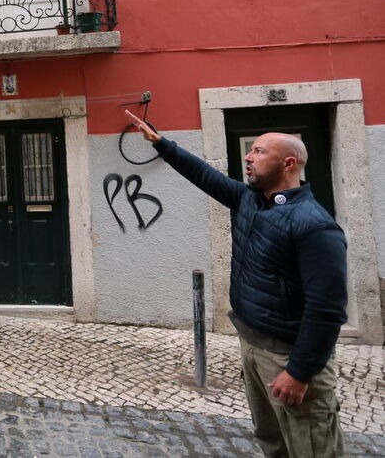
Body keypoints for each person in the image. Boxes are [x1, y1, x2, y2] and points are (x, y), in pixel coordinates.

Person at [125, 110, 348, 457]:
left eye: (260, 152)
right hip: (253, 347)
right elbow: (205, 176)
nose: (248, 156)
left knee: (311, 446)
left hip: (288, 355)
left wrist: (301, 372)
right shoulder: (250, 200)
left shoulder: (314, 225)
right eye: (251, 150)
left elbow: (327, 308)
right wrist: (163, 145)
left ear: (288, 163)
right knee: (272, 441)